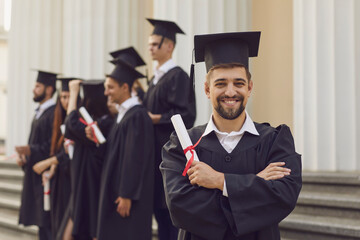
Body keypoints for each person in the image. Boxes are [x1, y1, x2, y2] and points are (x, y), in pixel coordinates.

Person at [160, 32, 302, 240]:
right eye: (220, 84)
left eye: (238, 83)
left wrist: (219, 181)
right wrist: (255, 183)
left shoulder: (275, 141)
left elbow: (284, 196)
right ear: (207, 89)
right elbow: (180, 207)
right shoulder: (182, 145)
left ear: (249, 87)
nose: (230, 91)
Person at [143, 18, 196, 240]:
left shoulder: (178, 77)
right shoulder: (155, 80)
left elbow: (187, 115)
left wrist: (157, 119)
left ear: (169, 46)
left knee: (169, 213)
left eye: (155, 44)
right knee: (158, 211)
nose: (150, 48)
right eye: (150, 44)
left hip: (169, 154)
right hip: (152, 155)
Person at [96, 59, 154, 240]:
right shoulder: (123, 115)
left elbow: (134, 158)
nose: (106, 92)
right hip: (116, 190)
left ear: (125, 87)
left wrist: (127, 194)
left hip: (128, 195)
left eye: (110, 87)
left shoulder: (137, 116)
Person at [63, 79, 113, 240]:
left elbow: (69, 124)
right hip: (84, 182)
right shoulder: (101, 122)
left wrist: (74, 94)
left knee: (91, 228)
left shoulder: (100, 125)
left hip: (90, 183)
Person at [15, 70, 58, 240]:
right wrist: (24, 157)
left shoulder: (53, 113)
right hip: (35, 174)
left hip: (47, 176)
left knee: (47, 223)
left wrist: (31, 150)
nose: (34, 89)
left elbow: (52, 145)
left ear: (48, 89)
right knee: (41, 224)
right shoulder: (39, 113)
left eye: (38, 86)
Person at [32, 78, 76, 240]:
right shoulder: (59, 118)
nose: (65, 101)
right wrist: (51, 170)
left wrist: (48, 163)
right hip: (60, 180)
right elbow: (57, 149)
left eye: (68, 97)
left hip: (72, 180)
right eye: (62, 97)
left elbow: (71, 152)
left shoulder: (76, 120)